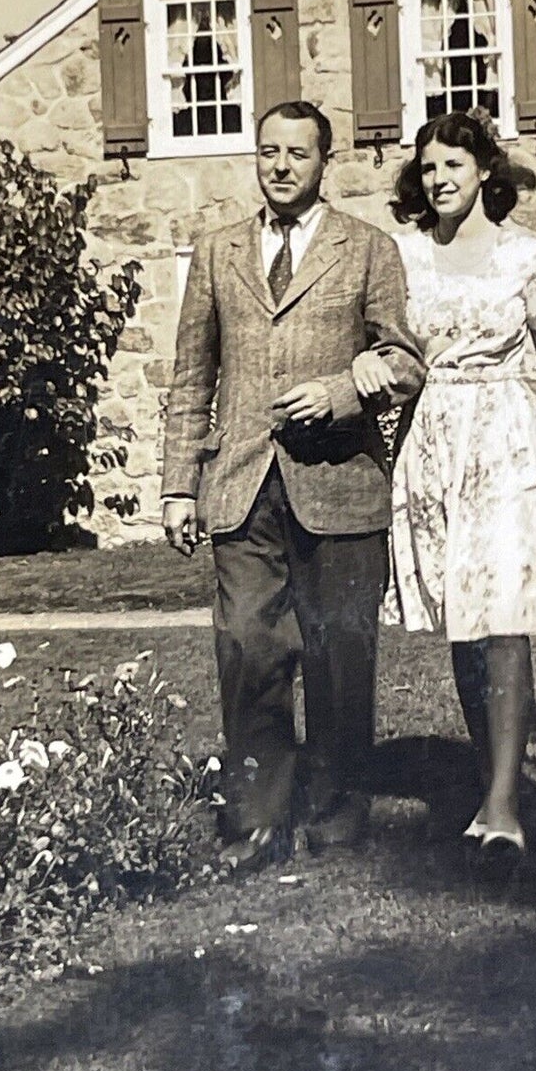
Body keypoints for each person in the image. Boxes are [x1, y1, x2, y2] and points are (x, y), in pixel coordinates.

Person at [161, 101, 425, 873]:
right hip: (242, 483)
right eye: (268, 151)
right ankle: (253, 823)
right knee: (247, 647)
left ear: (323, 161)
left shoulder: (367, 249)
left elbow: (404, 361)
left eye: (297, 154)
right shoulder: (217, 251)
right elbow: (190, 377)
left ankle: (337, 818)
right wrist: (180, 485)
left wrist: (341, 390)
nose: (280, 166)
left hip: (338, 484)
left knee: (340, 654)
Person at [353, 110, 536, 855]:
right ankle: (489, 775)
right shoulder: (402, 257)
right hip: (431, 442)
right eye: (428, 168)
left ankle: (501, 804)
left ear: (484, 172)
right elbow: (385, 350)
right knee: (463, 620)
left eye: (452, 166)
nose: (438, 180)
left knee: (503, 613)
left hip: (502, 437)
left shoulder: (525, 256)